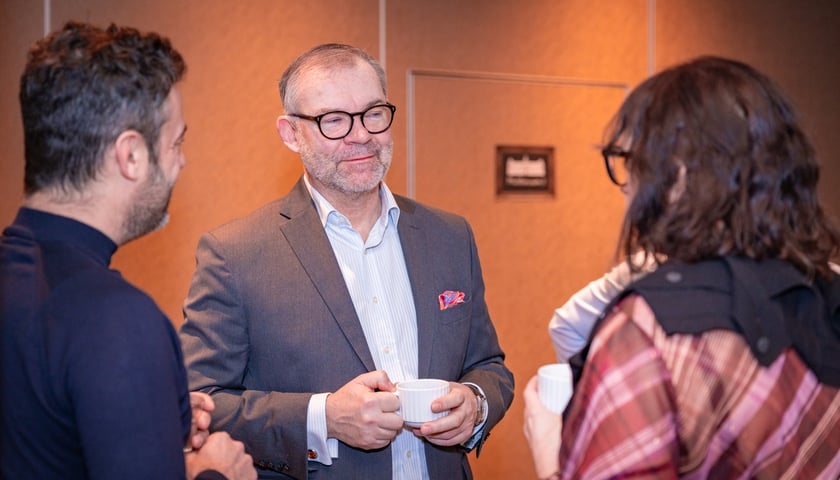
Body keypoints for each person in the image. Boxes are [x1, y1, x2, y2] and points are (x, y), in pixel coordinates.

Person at [178, 43, 515, 479]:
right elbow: (199, 401)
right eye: (333, 120)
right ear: (290, 133)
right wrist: (323, 418)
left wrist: (476, 403)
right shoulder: (236, 254)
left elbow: (489, 366)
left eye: (373, 113)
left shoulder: (449, 236)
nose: (361, 135)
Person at [524, 56, 840, 479]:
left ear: (677, 176)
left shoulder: (645, 331)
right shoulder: (827, 291)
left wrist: (548, 452)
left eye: (633, 163)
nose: (628, 188)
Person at [0, 21, 256, 480]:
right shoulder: (119, 320)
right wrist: (216, 473)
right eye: (176, 142)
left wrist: (146, 411)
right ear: (131, 155)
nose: (182, 162)